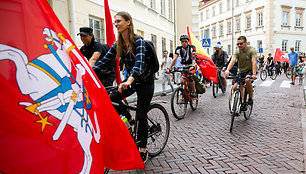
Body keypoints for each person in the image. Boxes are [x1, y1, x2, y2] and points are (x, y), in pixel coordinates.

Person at [93, 11, 153, 162]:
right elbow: (104, 61)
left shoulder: (138, 41)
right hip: (131, 81)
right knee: (111, 100)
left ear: (128, 22)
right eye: (115, 22)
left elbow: (139, 64)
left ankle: (143, 149)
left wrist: (129, 80)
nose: (116, 24)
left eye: (119, 21)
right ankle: (129, 120)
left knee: (141, 115)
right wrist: (87, 73)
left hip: (145, 82)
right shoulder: (118, 43)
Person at [225, 36, 257, 106]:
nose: (239, 45)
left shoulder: (252, 50)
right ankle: (241, 101)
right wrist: (227, 70)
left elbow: (254, 62)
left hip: (250, 70)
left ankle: (250, 99)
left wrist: (254, 74)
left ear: (245, 43)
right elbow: (232, 61)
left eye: (241, 44)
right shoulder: (237, 51)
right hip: (241, 71)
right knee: (235, 86)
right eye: (238, 44)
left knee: (247, 80)